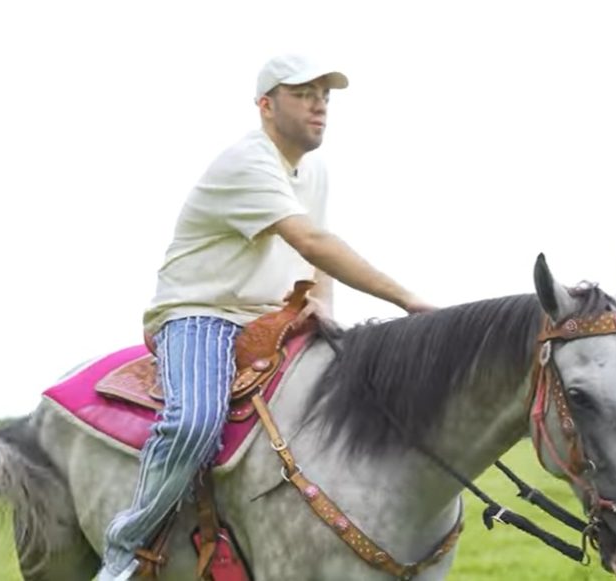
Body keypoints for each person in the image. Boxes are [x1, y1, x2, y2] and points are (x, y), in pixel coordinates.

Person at [97, 53, 435, 580]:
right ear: (265, 105)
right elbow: (313, 240)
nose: (319, 103)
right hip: (202, 313)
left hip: (272, 315)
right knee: (195, 422)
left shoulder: (313, 170)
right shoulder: (248, 162)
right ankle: (124, 551)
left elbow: (312, 254)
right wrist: (408, 300)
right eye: (303, 93)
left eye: (325, 94)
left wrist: (326, 310)